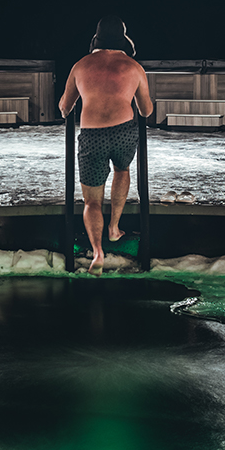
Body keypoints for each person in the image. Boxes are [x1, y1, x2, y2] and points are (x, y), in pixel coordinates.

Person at [58, 16, 153, 274]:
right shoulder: (133, 66)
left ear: (96, 40)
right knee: (122, 170)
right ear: (123, 38)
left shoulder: (81, 65)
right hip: (124, 132)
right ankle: (114, 228)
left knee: (91, 202)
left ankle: (98, 253)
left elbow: (65, 108)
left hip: (92, 136)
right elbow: (146, 110)